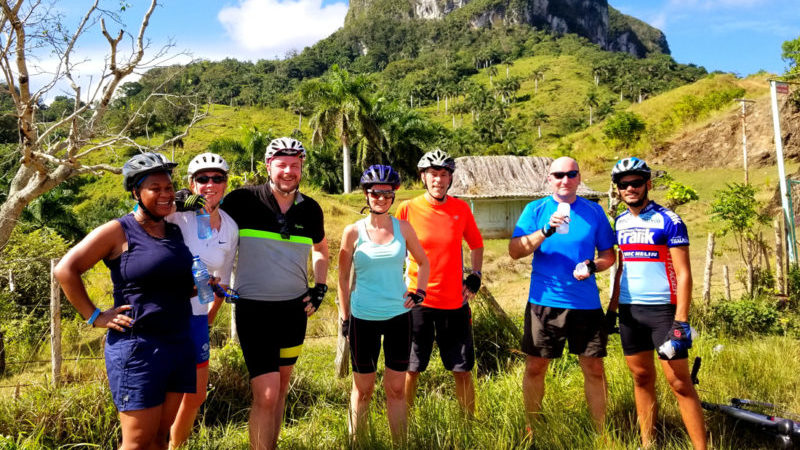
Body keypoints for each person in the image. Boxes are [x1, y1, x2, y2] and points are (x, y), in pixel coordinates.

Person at [54, 152, 196, 450]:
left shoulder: (172, 230)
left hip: (179, 341)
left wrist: (199, 287)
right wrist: (95, 316)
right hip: (139, 347)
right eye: (155, 188)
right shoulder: (119, 230)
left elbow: (169, 281)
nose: (165, 194)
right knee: (137, 442)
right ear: (136, 192)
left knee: (161, 437)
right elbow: (65, 270)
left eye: (169, 187)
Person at [220, 137, 329, 450]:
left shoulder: (310, 209)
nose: (288, 171)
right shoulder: (241, 200)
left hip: (294, 312)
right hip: (254, 310)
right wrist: (191, 199)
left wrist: (320, 286)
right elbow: (211, 223)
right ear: (268, 166)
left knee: (280, 389)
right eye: (281, 164)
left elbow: (321, 248)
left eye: (295, 165)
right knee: (265, 393)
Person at [508, 156, 616, 432]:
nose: (564, 180)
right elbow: (515, 251)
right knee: (535, 368)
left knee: (594, 370)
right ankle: (531, 429)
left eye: (571, 174)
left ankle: (600, 433)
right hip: (544, 302)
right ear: (549, 179)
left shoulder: (594, 212)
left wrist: (592, 265)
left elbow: (608, 255)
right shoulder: (536, 209)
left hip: (586, 304)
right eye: (558, 175)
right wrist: (545, 230)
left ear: (579, 178)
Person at [607, 157, 707, 449]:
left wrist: (681, 322)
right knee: (640, 378)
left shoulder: (669, 220)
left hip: (663, 311)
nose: (630, 189)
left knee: (679, 383)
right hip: (629, 311)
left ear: (648, 184)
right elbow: (621, 269)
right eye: (624, 185)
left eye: (636, 183)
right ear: (618, 190)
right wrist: (612, 310)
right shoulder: (620, 222)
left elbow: (684, 274)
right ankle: (648, 443)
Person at [338, 165, 430, 444]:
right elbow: (341, 277)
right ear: (366, 195)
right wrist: (345, 317)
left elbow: (423, 262)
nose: (381, 198)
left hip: (398, 317)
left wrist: (419, 292)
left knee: (396, 390)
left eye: (387, 194)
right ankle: (358, 443)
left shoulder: (403, 228)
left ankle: (399, 444)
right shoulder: (353, 232)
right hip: (363, 318)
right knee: (363, 389)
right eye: (375, 193)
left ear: (393, 196)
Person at [396, 149, 484, 416]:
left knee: (462, 369)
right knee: (411, 368)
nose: (438, 180)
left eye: (444, 174)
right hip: (416, 302)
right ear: (423, 177)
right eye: (433, 174)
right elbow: (394, 249)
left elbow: (477, 244)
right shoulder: (407, 208)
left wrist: (475, 276)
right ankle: (405, 424)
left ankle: (469, 423)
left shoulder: (460, 208)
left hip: (454, 302)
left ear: (450, 179)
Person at [167, 152, 239, 449]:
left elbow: (222, 279)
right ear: (191, 183)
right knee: (165, 392)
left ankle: (176, 446)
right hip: (167, 314)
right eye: (202, 179)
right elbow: (139, 215)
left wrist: (208, 318)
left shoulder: (230, 226)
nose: (210, 184)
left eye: (217, 178)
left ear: (226, 183)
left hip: (197, 317)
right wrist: (174, 203)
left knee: (196, 394)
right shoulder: (175, 215)